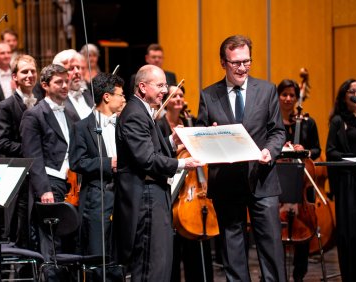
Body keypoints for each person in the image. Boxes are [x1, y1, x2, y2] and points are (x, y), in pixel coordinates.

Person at [196, 35, 286, 281]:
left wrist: (270, 150)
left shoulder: (267, 90)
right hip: (226, 181)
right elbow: (199, 136)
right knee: (232, 251)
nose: (242, 67)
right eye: (235, 62)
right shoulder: (208, 95)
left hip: (262, 179)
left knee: (272, 251)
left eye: (246, 61)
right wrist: (210, 135)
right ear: (223, 62)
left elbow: (277, 131)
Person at [112, 64, 201, 282]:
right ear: (142, 87)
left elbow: (150, 149)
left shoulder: (142, 112)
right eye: (160, 85)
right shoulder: (134, 113)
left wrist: (172, 141)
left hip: (152, 195)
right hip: (146, 198)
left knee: (160, 264)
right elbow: (146, 159)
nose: (166, 91)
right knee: (151, 266)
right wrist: (182, 164)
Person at [20, 64, 78, 281]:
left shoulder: (71, 113)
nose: (65, 86)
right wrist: (43, 189)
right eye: (59, 82)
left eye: (66, 81)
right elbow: (33, 156)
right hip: (49, 184)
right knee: (51, 244)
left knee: (70, 242)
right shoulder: (34, 115)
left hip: (71, 185)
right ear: (45, 85)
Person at [69, 72, 126, 281]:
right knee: (98, 254)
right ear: (107, 97)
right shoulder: (82, 127)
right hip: (96, 197)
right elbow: (77, 162)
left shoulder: (124, 124)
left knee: (118, 255)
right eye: (120, 94)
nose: (123, 99)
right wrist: (108, 162)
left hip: (122, 196)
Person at [155, 85, 214, 282]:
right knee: (172, 246)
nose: (179, 98)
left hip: (193, 188)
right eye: (174, 95)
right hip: (171, 186)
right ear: (167, 100)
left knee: (196, 246)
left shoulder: (192, 122)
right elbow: (158, 153)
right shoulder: (160, 125)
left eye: (181, 94)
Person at [277, 79, 321, 282]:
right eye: (284, 94)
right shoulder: (272, 122)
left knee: (304, 232)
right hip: (279, 183)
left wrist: (304, 151)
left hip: (302, 179)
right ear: (278, 96)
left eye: (292, 95)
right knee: (274, 233)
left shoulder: (307, 123)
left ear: (296, 98)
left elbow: (317, 149)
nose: (288, 98)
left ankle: (299, 275)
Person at [0, 54, 38, 245]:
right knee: (22, 230)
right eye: (24, 71)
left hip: (40, 174)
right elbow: (2, 143)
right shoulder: (5, 106)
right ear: (15, 77)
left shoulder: (43, 103)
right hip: (20, 177)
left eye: (33, 71)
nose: (29, 75)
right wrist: (34, 151)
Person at [326, 79, 356, 281]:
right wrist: (351, 159)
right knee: (351, 232)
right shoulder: (338, 121)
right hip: (350, 181)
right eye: (352, 91)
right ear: (344, 96)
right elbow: (330, 151)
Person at [53, 49, 94, 121]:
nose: (77, 72)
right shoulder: (57, 99)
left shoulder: (87, 93)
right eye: (71, 68)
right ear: (59, 73)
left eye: (78, 67)